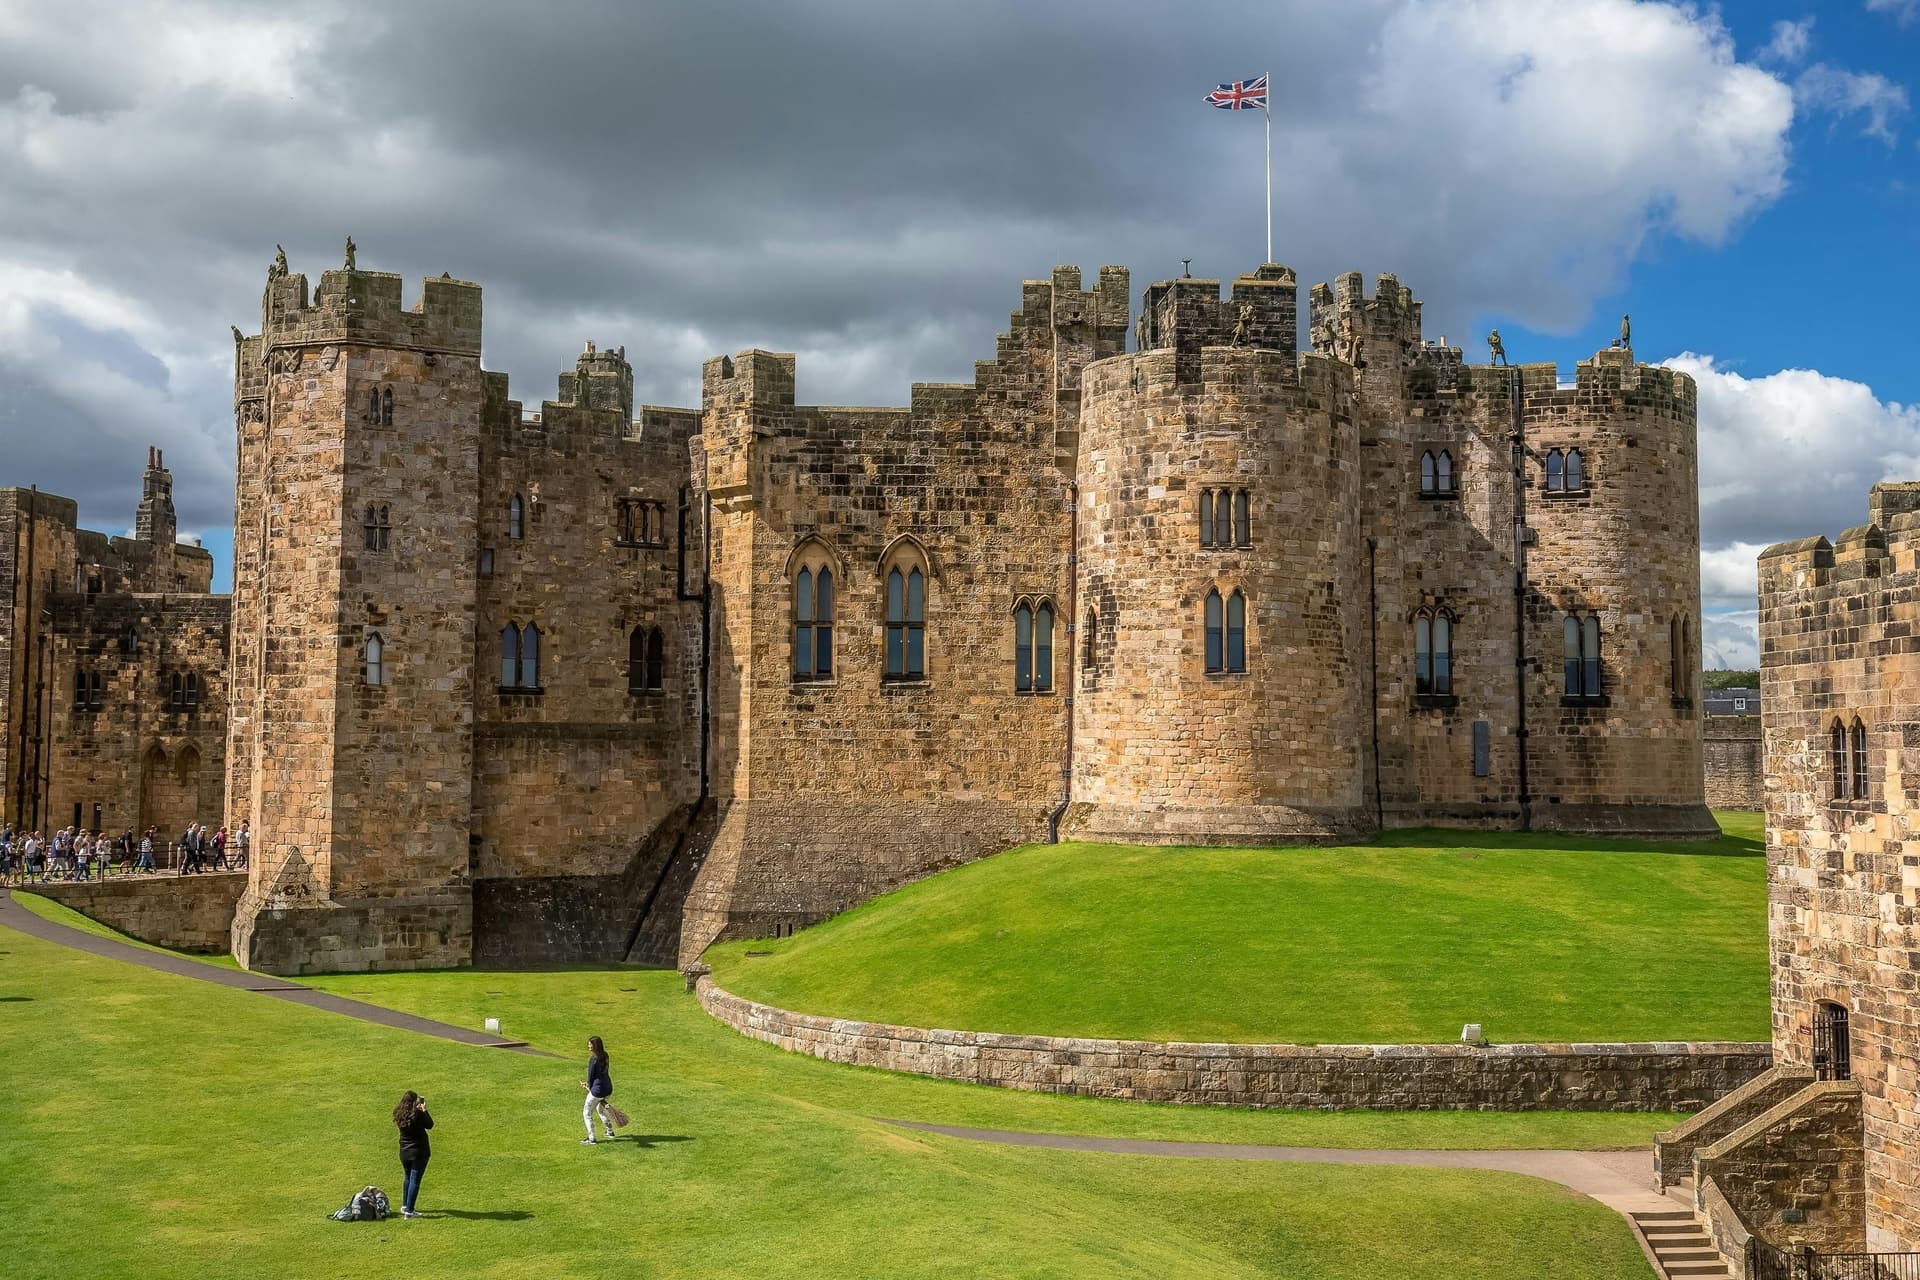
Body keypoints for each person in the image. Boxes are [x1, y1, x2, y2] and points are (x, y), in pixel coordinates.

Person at [392, 1090, 433, 1219]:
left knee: (408, 1178)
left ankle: (405, 1205)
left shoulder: (398, 1113)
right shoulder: (418, 1115)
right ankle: (409, 1211)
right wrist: (424, 1110)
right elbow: (430, 1125)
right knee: (414, 1180)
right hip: (419, 1152)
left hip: (404, 1152)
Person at [580, 1035, 615, 1144]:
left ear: (595, 1046)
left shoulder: (593, 1059)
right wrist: (590, 1083)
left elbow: (591, 1076)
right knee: (600, 1109)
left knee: (586, 1113)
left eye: (590, 1044)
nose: (588, 1046)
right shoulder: (605, 1055)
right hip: (608, 1088)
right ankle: (609, 1132)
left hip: (597, 1090)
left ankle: (592, 1138)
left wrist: (588, 1084)